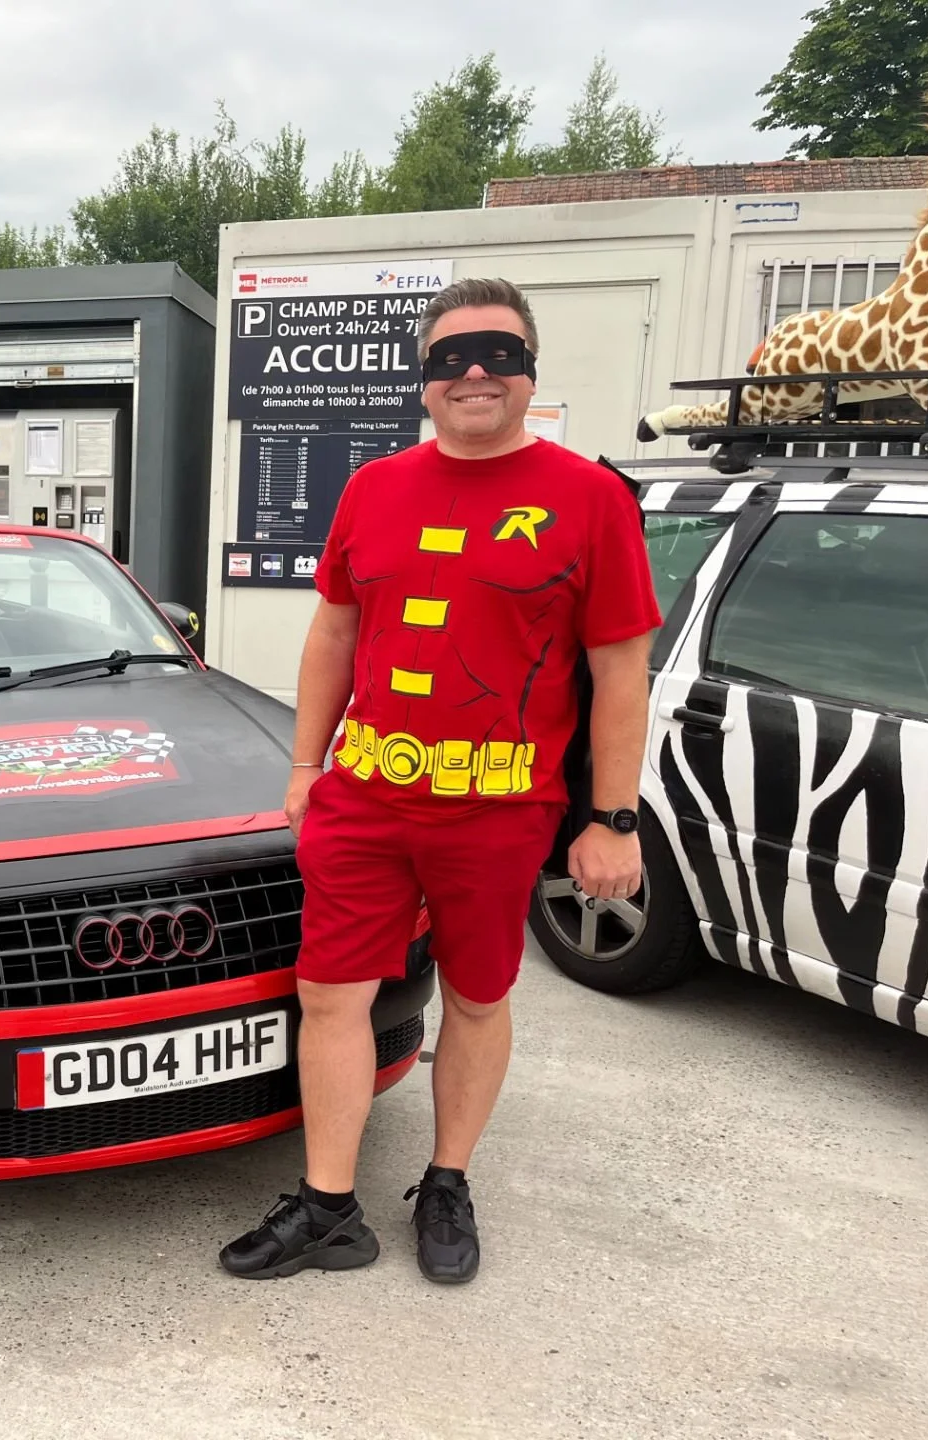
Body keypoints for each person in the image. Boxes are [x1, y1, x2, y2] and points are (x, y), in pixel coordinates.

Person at [218, 277, 660, 1286]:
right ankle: (330, 1206)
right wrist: (303, 766)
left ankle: (448, 1180)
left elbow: (620, 670)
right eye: (452, 356)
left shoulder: (590, 499)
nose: (474, 372)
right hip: (365, 803)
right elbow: (334, 629)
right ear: (423, 381)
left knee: (475, 996)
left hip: (501, 812)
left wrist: (615, 819)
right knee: (329, 998)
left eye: (499, 353)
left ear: (529, 372)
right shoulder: (373, 489)